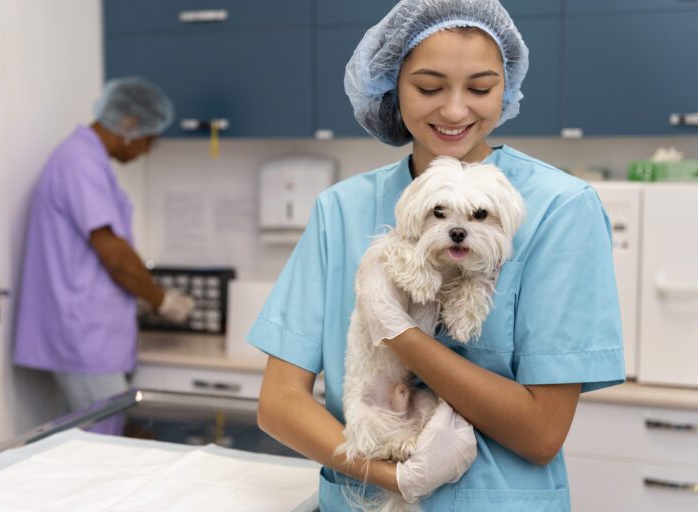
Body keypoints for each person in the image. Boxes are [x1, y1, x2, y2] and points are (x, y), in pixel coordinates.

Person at [248, 1, 625, 510]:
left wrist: (397, 331)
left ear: (507, 87)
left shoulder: (559, 210)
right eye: (428, 88)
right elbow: (279, 404)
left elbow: (541, 433)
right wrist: (389, 477)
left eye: (480, 88)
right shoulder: (340, 209)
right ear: (391, 86)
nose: (453, 110)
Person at [13, 77, 195, 433]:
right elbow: (113, 253)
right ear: (128, 125)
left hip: (90, 333)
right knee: (104, 447)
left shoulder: (87, 159)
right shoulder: (79, 162)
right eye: (148, 140)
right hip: (84, 336)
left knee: (89, 442)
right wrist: (161, 300)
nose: (146, 151)